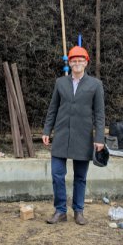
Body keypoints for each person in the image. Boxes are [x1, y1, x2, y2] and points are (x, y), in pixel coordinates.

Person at [42, 46, 105, 225]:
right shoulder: (60, 83)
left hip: (83, 136)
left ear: (86, 62)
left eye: (80, 60)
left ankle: (78, 211)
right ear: (69, 63)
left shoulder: (95, 85)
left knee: (80, 177)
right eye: (73, 60)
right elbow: (52, 108)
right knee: (57, 174)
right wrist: (47, 130)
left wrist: (99, 138)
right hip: (61, 135)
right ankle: (60, 211)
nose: (77, 63)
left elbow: (99, 114)